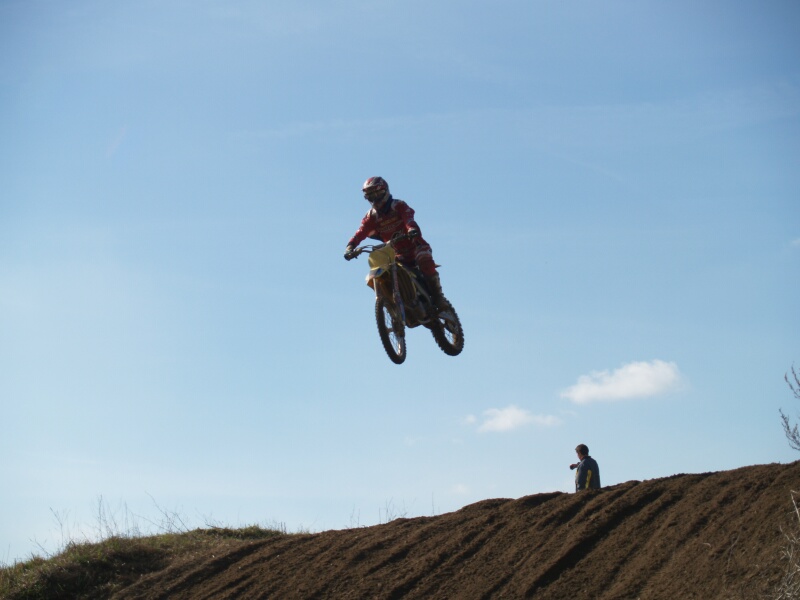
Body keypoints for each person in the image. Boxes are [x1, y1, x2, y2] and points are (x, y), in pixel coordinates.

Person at [344, 176, 451, 311]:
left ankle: (438, 297)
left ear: (384, 191)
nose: (374, 198)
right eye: (370, 196)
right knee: (385, 272)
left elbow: (408, 219)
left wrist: (411, 229)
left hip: (415, 246)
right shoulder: (371, 216)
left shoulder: (398, 205)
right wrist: (351, 246)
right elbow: (361, 232)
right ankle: (395, 308)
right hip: (396, 255)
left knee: (424, 259)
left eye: (376, 194)